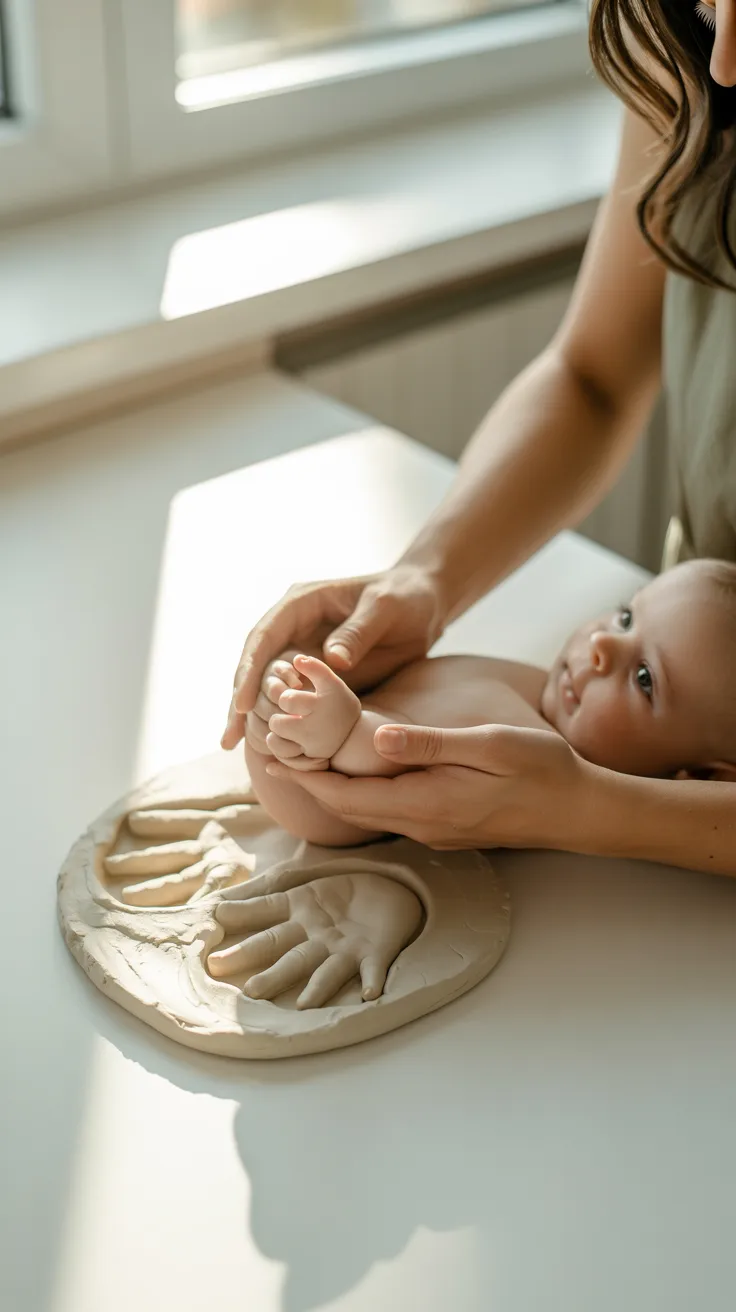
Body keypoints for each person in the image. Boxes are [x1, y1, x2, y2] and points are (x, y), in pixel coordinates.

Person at [222, 0, 736, 874]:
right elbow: (594, 379)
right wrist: (423, 578)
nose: (722, 60)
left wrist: (607, 812)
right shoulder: (690, 52)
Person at [243, 560, 736, 846]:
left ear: (697, 779)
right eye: (627, 617)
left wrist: (342, 731)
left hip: (319, 789)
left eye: (645, 678)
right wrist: (318, 664)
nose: (602, 645)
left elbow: (399, 760)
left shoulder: (533, 754)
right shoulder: (545, 692)